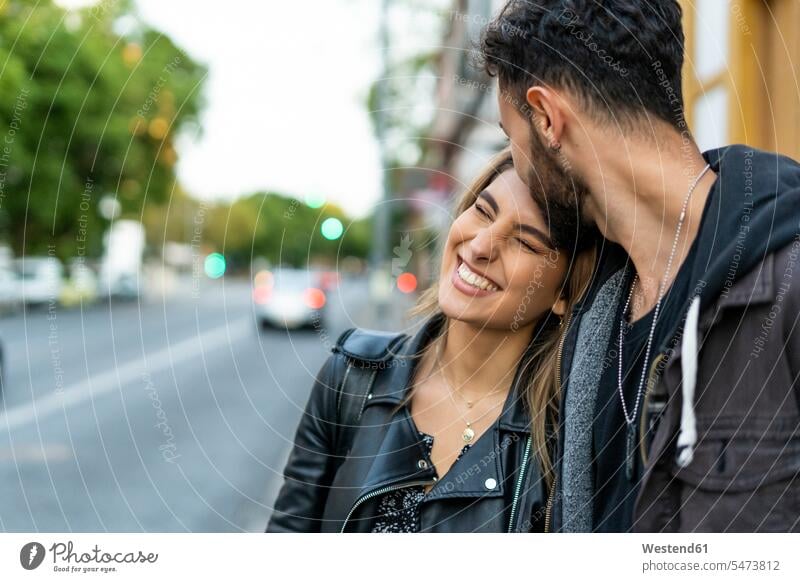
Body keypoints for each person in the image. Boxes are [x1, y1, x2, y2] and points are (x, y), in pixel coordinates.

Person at [480, 0, 800, 532]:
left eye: (510, 135)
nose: (514, 159)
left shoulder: (786, 275)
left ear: (546, 116)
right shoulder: (592, 308)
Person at [266, 149, 596, 532]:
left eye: (525, 241)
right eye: (484, 212)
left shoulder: (565, 441)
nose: (479, 246)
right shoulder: (352, 375)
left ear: (564, 292)